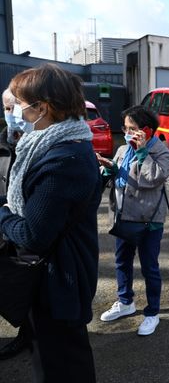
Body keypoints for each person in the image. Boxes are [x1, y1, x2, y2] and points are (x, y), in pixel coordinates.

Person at [0, 64, 103, 381]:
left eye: (17, 103)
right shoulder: (50, 144)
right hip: (50, 275)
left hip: (59, 281)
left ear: (42, 107)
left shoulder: (63, 159)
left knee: (62, 365)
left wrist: (2, 213)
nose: (14, 111)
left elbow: (32, 235)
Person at [97, 106, 169, 336]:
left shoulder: (161, 151)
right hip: (124, 216)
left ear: (147, 130)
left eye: (134, 129)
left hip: (148, 220)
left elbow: (153, 178)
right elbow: (123, 174)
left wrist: (142, 153)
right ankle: (125, 301)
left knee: (150, 267)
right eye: (126, 128)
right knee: (122, 261)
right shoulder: (121, 149)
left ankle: (152, 313)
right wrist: (111, 169)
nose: (128, 133)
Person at [0, 88, 30, 361]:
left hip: (24, 229)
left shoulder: (36, 144)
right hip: (3, 228)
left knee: (26, 285)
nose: (10, 115)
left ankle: (28, 333)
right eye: (5, 109)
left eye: (14, 108)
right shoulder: (2, 144)